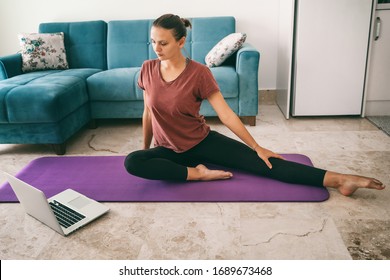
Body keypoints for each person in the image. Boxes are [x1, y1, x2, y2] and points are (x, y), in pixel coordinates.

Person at [124, 14, 386, 196]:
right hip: (168, 150)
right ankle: (197, 174)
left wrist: (257, 146)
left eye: (163, 42)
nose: (156, 48)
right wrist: (148, 150)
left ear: (181, 42)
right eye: (153, 41)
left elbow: (226, 115)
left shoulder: (200, 73)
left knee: (266, 164)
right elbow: (148, 113)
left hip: (201, 142)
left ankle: (340, 179)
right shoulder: (147, 69)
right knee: (133, 162)